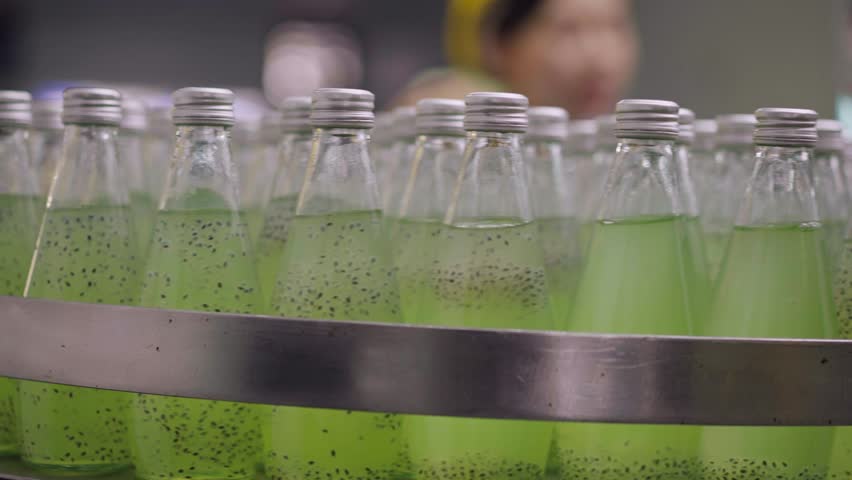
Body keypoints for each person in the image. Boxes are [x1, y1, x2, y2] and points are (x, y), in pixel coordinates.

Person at [392, 0, 638, 117]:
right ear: (497, 44)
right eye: (567, 30)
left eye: (615, 27)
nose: (600, 58)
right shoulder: (452, 114)